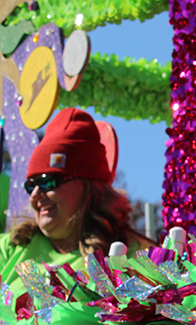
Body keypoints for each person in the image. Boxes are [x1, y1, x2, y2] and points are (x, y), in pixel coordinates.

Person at [0, 108, 152, 297]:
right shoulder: (9, 248)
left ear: (87, 185)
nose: (36, 194)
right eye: (32, 185)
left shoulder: (132, 255)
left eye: (48, 181)